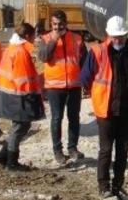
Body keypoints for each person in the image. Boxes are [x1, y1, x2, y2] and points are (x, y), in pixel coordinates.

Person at [80, 16, 128, 200]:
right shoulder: (98, 51)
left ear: (125, 35)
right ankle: (103, 186)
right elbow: (85, 77)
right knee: (106, 150)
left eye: (121, 36)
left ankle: (118, 185)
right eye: (114, 37)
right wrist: (97, 94)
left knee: (122, 150)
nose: (118, 40)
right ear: (108, 35)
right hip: (106, 109)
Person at [37, 10, 89, 165]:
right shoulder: (45, 39)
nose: (57, 27)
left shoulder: (77, 38)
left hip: (74, 85)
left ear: (65, 23)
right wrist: (54, 39)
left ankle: (72, 148)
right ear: (51, 24)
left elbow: (84, 63)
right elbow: (44, 57)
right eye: (54, 24)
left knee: (74, 118)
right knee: (57, 118)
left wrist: (86, 82)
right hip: (54, 87)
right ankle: (58, 151)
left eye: (60, 24)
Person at [0, 22, 44, 171]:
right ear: (27, 36)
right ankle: (11, 162)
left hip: (9, 93)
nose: (35, 39)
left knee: (18, 127)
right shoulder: (20, 52)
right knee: (21, 126)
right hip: (17, 95)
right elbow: (23, 79)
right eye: (33, 36)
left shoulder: (12, 48)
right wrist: (32, 96)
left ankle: (3, 156)